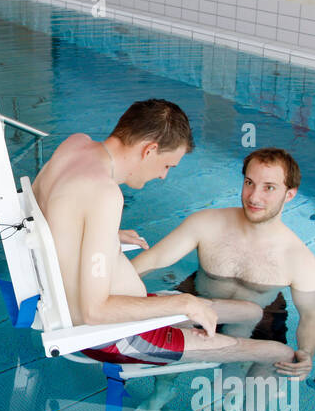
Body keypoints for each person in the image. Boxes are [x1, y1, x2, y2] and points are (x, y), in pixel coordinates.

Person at [30, 100, 300, 376]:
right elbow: (94, 312)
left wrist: (102, 233)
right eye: (167, 165)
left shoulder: (75, 145)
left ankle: (232, 360)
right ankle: (242, 405)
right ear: (150, 150)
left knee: (251, 311)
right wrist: (184, 302)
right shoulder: (104, 194)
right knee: (281, 353)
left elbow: (58, 214)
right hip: (114, 334)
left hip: (113, 307)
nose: (162, 175)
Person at [130, 147, 315, 411]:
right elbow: (154, 258)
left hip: (258, 313)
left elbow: (312, 316)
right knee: (166, 333)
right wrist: (107, 289)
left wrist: (308, 351)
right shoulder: (208, 223)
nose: (254, 197)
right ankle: (162, 393)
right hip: (201, 297)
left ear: (290, 195)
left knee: (254, 361)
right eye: (249, 183)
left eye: (269, 187)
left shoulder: (298, 258)